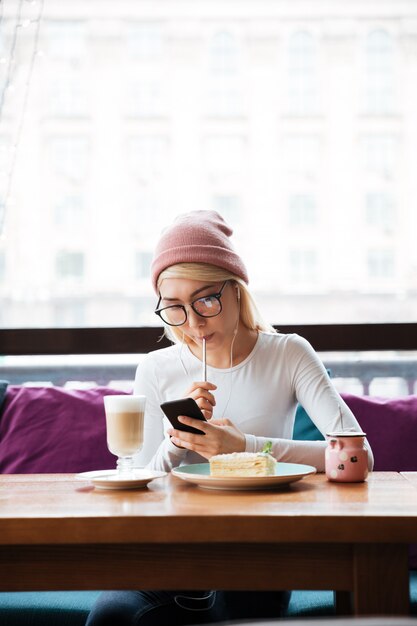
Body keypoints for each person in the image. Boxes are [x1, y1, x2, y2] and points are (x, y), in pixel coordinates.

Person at [86, 210, 374, 626]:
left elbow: (358, 457)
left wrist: (245, 448)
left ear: (237, 290)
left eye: (206, 298)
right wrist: (176, 440)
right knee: (111, 617)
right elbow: (142, 482)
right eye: (175, 307)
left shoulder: (288, 354)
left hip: (259, 547)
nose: (194, 322)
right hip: (170, 548)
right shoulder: (156, 368)